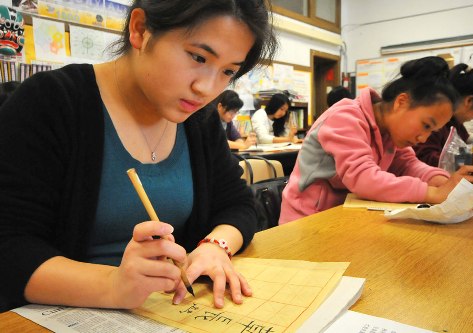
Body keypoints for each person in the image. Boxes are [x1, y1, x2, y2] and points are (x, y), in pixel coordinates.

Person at [0, 0, 277, 311]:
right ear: (140, 29)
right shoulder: (51, 103)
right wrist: (113, 286)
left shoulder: (199, 120)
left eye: (228, 71)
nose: (207, 88)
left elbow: (237, 204)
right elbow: (10, 248)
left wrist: (216, 246)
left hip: (167, 311)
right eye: (198, 57)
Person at [279, 56, 473, 224]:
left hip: (346, 218)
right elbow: (364, 179)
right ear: (401, 102)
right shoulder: (346, 116)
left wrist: (442, 182)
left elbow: (408, 164)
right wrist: (432, 193)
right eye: (426, 125)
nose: (423, 138)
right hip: (306, 223)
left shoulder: (389, 132)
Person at [413, 64, 473, 170]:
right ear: (469, 101)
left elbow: (455, 156)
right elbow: (427, 160)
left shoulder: (457, 125)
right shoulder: (436, 122)